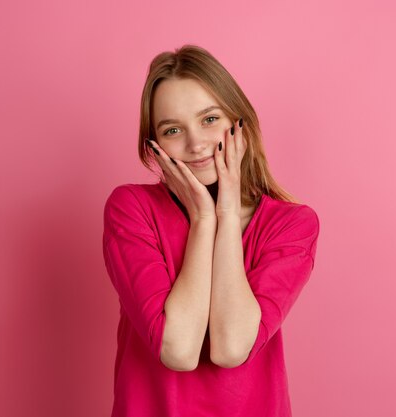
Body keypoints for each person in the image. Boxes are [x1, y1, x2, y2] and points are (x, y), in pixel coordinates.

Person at [102, 44, 320, 417]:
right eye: (173, 129)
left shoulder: (292, 224)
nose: (196, 144)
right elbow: (179, 350)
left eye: (209, 119)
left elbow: (231, 347)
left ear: (240, 124)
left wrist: (227, 214)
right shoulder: (130, 209)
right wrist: (204, 220)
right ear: (154, 146)